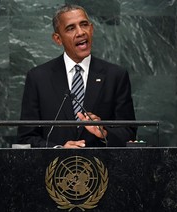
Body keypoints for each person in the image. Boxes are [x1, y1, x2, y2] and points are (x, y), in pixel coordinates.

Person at [17, 4, 136, 148]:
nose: (80, 32)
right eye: (71, 28)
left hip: (102, 167)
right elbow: (26, 138)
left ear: (91, 29)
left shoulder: (115, 76)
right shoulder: (38, 77)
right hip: (54, 168)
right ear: (58, 39)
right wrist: (58, 150)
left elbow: (129, 133)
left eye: (84, 25)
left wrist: (103, 132)